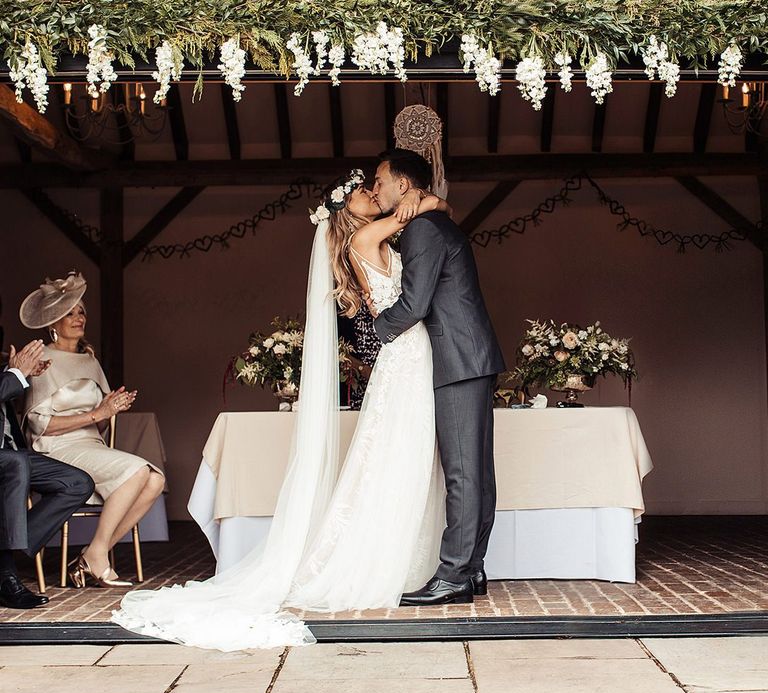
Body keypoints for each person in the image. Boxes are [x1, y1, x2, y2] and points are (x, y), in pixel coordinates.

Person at [111, 168, 453, 651]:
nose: (370, 193)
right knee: (399, 454)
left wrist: (422, 202)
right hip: (407, 353)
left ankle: (405, 555)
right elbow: (426, 208)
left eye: (370, 186)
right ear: (345, 215)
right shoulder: (368, 236)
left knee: (401, 454)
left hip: (407, 354)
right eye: (360, 193)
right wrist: (426, 199)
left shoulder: (368, 239)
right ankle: (383, 559)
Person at [371, 148, 505, 606]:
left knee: (464, 474)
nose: (376, 189)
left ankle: (453, 574)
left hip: (459, 361)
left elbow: (414, 304)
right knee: (476, 472)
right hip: (470, 358)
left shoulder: (424, 229)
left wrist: (373, 330)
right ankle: (471, 570)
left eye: (381, 180)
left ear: (403, 185)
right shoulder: (434, 221)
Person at [20, 272, 165, 588]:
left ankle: (93, 553)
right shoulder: (42, 359)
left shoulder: (90, 361)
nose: (78, 317)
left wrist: (110, 410)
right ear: (53, 323)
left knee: (155, 479)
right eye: (70, 313)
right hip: (56, 448)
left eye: (81, 311)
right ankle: (95, 558)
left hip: (91, 445)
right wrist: (97, 413)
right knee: (139, 471)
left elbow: (99, 422)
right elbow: (39, 425)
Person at [1, 339, 94, 609]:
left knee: (77, 483)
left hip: (11, 452)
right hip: (10, 459)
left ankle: (6, 554)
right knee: (16, 464)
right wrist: (16, 373)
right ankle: (6, 577)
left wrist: (16, 369)